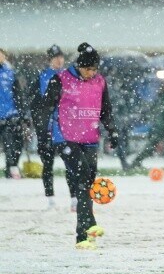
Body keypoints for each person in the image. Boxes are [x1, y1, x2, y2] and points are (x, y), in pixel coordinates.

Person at [39, 43, 120, 249]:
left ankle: (89, 226)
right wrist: (43, 135)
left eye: (94, 69)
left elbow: (106, 111)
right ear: (79, 65)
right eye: (88, 69)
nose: (91, 73)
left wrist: (112, 131)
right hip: (66, 138)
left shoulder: (100, 82)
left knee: (88, 182)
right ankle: (82, 234)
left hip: (90, 139)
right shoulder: (61, 79)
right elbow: (45, 108)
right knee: (83, 175)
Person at [28, 45, 71, 207]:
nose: (59, 60)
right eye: (55, 57)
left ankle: (74, 198)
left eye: (61, 57)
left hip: (66, 128)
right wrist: (39, 121)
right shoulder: (41, 77)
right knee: (48, 164)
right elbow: (33, 102)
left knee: (71, 164)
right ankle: (50, 198)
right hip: (46, 128)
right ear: (49, 60)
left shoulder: (69, 77)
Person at [0, 48, 25, 179]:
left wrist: (22, 113)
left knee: (13, 144)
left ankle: (12, 168)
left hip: (10, 114)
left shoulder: (10, 72)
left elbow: (18, 94)